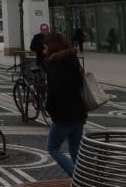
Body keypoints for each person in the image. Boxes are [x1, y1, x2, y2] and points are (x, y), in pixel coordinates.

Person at [43, 32, 87, 177]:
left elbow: (54, 93)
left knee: (52, 147)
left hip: (63, 115)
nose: (44, 50)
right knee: (76, 150)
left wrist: (49, 108)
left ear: (52, 47)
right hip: (78, 111)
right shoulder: (73, 60)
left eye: (45, 47)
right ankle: (82, 176)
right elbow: (78, 85)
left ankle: (78, 177)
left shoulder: (55, 65)